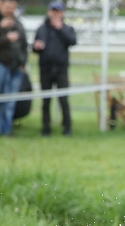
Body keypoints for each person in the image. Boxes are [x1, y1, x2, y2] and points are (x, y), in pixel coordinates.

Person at [32, 1, 76, 136]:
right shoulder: (42, 29)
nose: (55, 14)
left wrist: (60, 28)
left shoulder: (67, 28)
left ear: (62, 13)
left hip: (61, 70)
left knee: (63, 100)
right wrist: (36, 47)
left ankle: (67, 128)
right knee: (46, 101)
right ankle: (46, 128)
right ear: (49, 12)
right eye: (53, 11)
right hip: (45, 69)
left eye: (58, 11)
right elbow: (34, 47)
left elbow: (72, 41)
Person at [0, 0, 26, 136]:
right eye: (8, 7)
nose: (10, 10)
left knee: (10, 101)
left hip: (16, 67)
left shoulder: (18, 23)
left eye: (13, 7)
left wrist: (23, 63)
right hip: (1, 65)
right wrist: (3, 31)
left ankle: (6, 130)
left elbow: (24, 44)